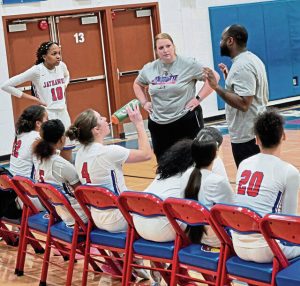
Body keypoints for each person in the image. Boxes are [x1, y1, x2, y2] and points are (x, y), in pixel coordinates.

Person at [66, 106, 151, 280]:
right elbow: (146, 154)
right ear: (96, 130)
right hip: (119, 218)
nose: (106, 118)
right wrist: (139, 124)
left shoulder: (79, 154)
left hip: (97, 216)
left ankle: (126, 262)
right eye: (101, 118)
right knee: (160, 209)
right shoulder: (109, 152)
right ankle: (157, 266)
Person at [133, 127, 232, 245]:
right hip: (165, 226)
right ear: (216, 148)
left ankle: (158, 262)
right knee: (217, 227)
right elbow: (226, 204)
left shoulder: (178, 153)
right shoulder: (214, 160)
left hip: (139, 221)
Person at [133, 32, 220, 160]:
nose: (165, 50)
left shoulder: (188, 64)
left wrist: (198, 99)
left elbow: (214, 77)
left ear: (174, 46)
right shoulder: (149, 68)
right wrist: (144, 102)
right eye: (161, 48)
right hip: (159, 123)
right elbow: (137, 84)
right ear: (156, 51)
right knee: (164, 162)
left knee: (191, 160)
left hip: (185, 120)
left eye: (168, 46)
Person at [231, 109, 300, 263]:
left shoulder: (243, 164)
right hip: (268, 249)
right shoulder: (289, 172)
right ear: (283, 136)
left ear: (256, 139)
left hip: (238, 245)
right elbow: (288, 223)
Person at [203, 24, 269, 167]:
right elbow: (246, 92)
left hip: (247, 136)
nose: (220, 43)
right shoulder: (251, 59)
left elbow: (244, 103)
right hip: (254, 132)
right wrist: (228, 80)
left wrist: (216, 87)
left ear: (230, 41)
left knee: (251, 183)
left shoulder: (242, 66)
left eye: (222, 39)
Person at [1, 41, 74, 162]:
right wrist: (33, 99)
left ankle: (68, 176)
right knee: (51, 151)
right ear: (44, 56)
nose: (58, 56)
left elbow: (67, 75)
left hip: (63, 111)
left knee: (67, 146)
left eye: (59, 53)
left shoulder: (62, 66)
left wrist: (64, 85)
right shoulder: (37, 71)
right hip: (48, 114)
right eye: (54, 53)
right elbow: (6, 85)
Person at [33, 119, 87, 226]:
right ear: (62, 139)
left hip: (61, 213)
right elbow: (82, 193)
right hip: (78, 217)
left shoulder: (38, 158)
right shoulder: (62, 165)